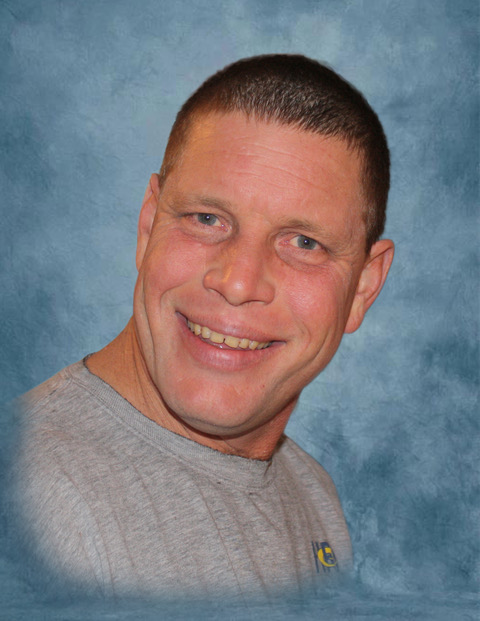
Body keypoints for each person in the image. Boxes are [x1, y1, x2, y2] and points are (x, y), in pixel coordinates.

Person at [9, 54, 394, 601]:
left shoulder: (311, 494)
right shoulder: (32, 503)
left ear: (362, 289)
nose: (237, 283)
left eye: (304, 243)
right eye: (207, 219)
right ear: (148, 227)